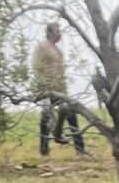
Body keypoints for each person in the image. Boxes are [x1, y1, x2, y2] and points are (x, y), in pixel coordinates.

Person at [31, 22, 84, 157]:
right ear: (49, 33)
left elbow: (61, 72)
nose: (59, 33)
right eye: (56, 30)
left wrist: (64, 89)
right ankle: (44, 150)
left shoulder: (58, 51)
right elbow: (36, 66)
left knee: (71, 113)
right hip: (46, 88)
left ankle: (80, 149)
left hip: (60, 88)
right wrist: (42, 86)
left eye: (59, 30)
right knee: (45, 117)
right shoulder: (41, 47)